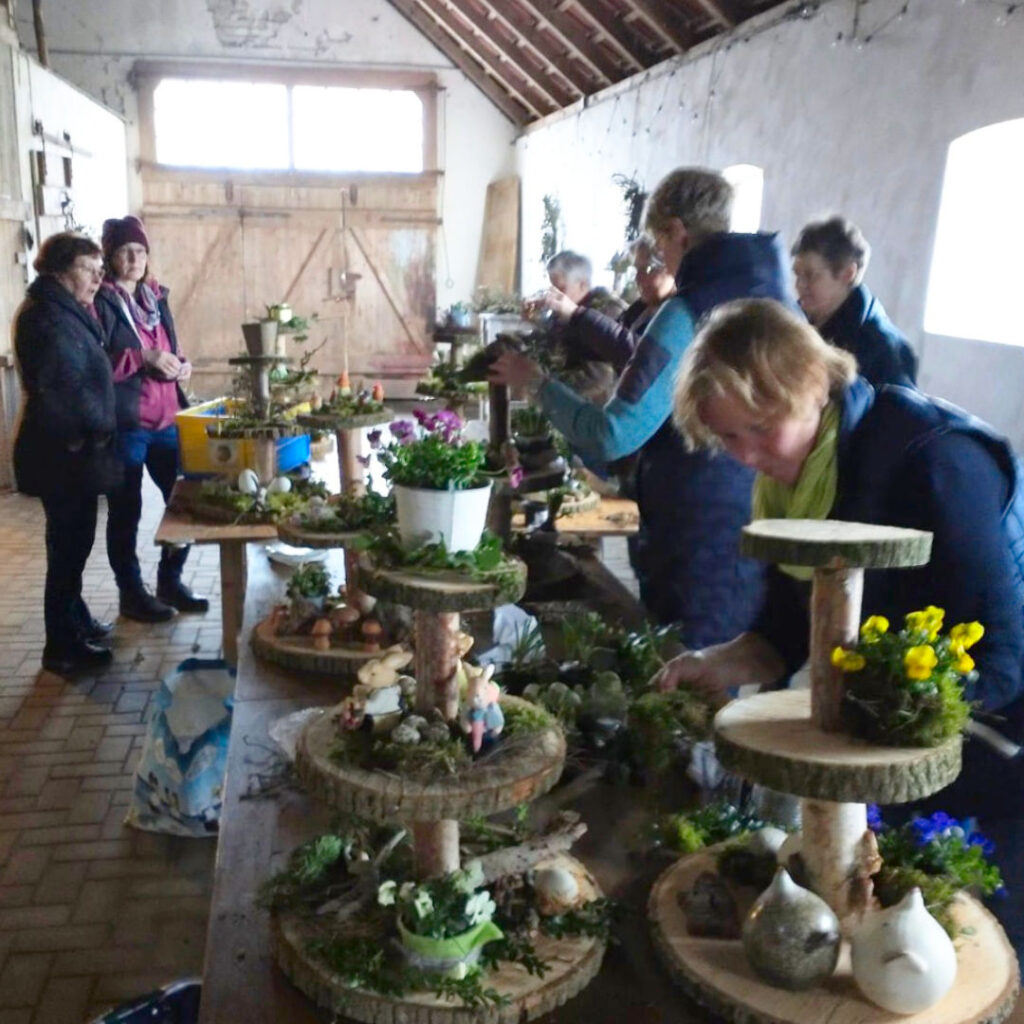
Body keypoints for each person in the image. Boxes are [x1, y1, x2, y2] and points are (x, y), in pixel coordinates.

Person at [657, 297, 1024, 951]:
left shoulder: (933, 461)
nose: (745, 456)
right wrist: (718, 663)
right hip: (909, 734)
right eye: (726, 438)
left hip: (1001, 745)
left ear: (812, 385)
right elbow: (786, 632)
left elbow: (1001, 658)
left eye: (759, 429)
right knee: (867, 920)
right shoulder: (795, 484)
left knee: (963, 939)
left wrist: (877, 709)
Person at [490, 168, 793, 647]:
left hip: (697, 523)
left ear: (677, 231)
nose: (661, 261)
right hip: (759, 510)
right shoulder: (774, 297)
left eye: (660, 246)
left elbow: (613, 433)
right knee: (722, 662)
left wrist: (538, 384)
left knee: (686, 669)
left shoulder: (690, 311)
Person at [13, 232, 121, 674]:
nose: (97, 277)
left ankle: (74, 620)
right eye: (87, 268)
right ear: (58, 269)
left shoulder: (65, 309)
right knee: (67, 549)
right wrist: (97, 427)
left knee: (74, 543)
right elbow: (62, 389)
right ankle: (61, 645)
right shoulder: (45, 318)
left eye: (100, 269)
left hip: (76, 452)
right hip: (63, 453)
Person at [95, 216, 209, 622]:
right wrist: (141, 359)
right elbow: (96, 364)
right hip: (127, 425)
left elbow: (169, 348)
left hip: (167, 421)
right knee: (126, 512)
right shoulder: (100, 301)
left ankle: (170, 580)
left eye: (140, 251)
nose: (135, 258)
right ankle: (132, 594)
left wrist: (182, 365)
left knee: (189, 502)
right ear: (110, 256)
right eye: (126, 251)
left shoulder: (155, 298)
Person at [791, 215, 917, 388]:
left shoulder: (885, 349)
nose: (799, 285)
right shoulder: (791, 325)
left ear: (848, 273)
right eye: (797, 274)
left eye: (810, 275)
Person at [536, 250, 627, 405]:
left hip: (596, 408)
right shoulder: (567, 309)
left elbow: (599, 377)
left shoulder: (606, 313)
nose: (554, 296)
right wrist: (536, 322)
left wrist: (539, 384)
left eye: (561, 289)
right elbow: (553, 348)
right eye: (552, 289)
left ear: (583, 284)